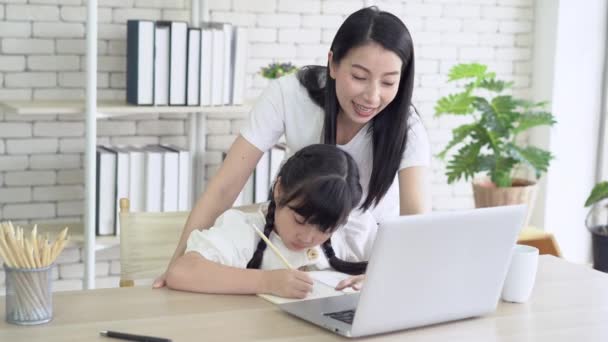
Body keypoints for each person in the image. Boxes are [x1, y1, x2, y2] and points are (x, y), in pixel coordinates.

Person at [155, 6, 432, 288]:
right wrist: (176, 264)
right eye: (359, 77)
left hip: (368, 262)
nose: (372, 96)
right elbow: (225, 187)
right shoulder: (290, 96)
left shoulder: (406, 128)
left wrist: (385, 278)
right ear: (333, 64)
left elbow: (417, 222)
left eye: (388, 82)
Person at [166, 144, 375, 299]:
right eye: (300, 220)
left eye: (325, 228)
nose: (308, 237)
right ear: (279, 189)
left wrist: (375, 281)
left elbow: (404, 266)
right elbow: (182, 271)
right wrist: (266, 281)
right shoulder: (245, 229)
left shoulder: (354, 229)